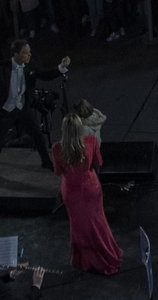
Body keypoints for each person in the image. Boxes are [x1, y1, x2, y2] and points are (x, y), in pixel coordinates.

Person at [0, 40, 70, 183]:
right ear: (16, 55)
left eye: (29, 52)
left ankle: (46, 161)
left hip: (23, 108)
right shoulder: (2, 67)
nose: (29, 55)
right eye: (26, 53)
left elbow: (46, 75)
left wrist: (61, 68)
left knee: (38, 135)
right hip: (5, 110)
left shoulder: (30, 66)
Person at [50, 112, 122, 274]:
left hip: (71, 192)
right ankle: (107, 256)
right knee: (98, 222)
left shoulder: (57, 148)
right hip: (90, 189)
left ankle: (83, 259)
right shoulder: (90, 141)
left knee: (79, 226)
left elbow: (57, 171)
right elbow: (98, 162)